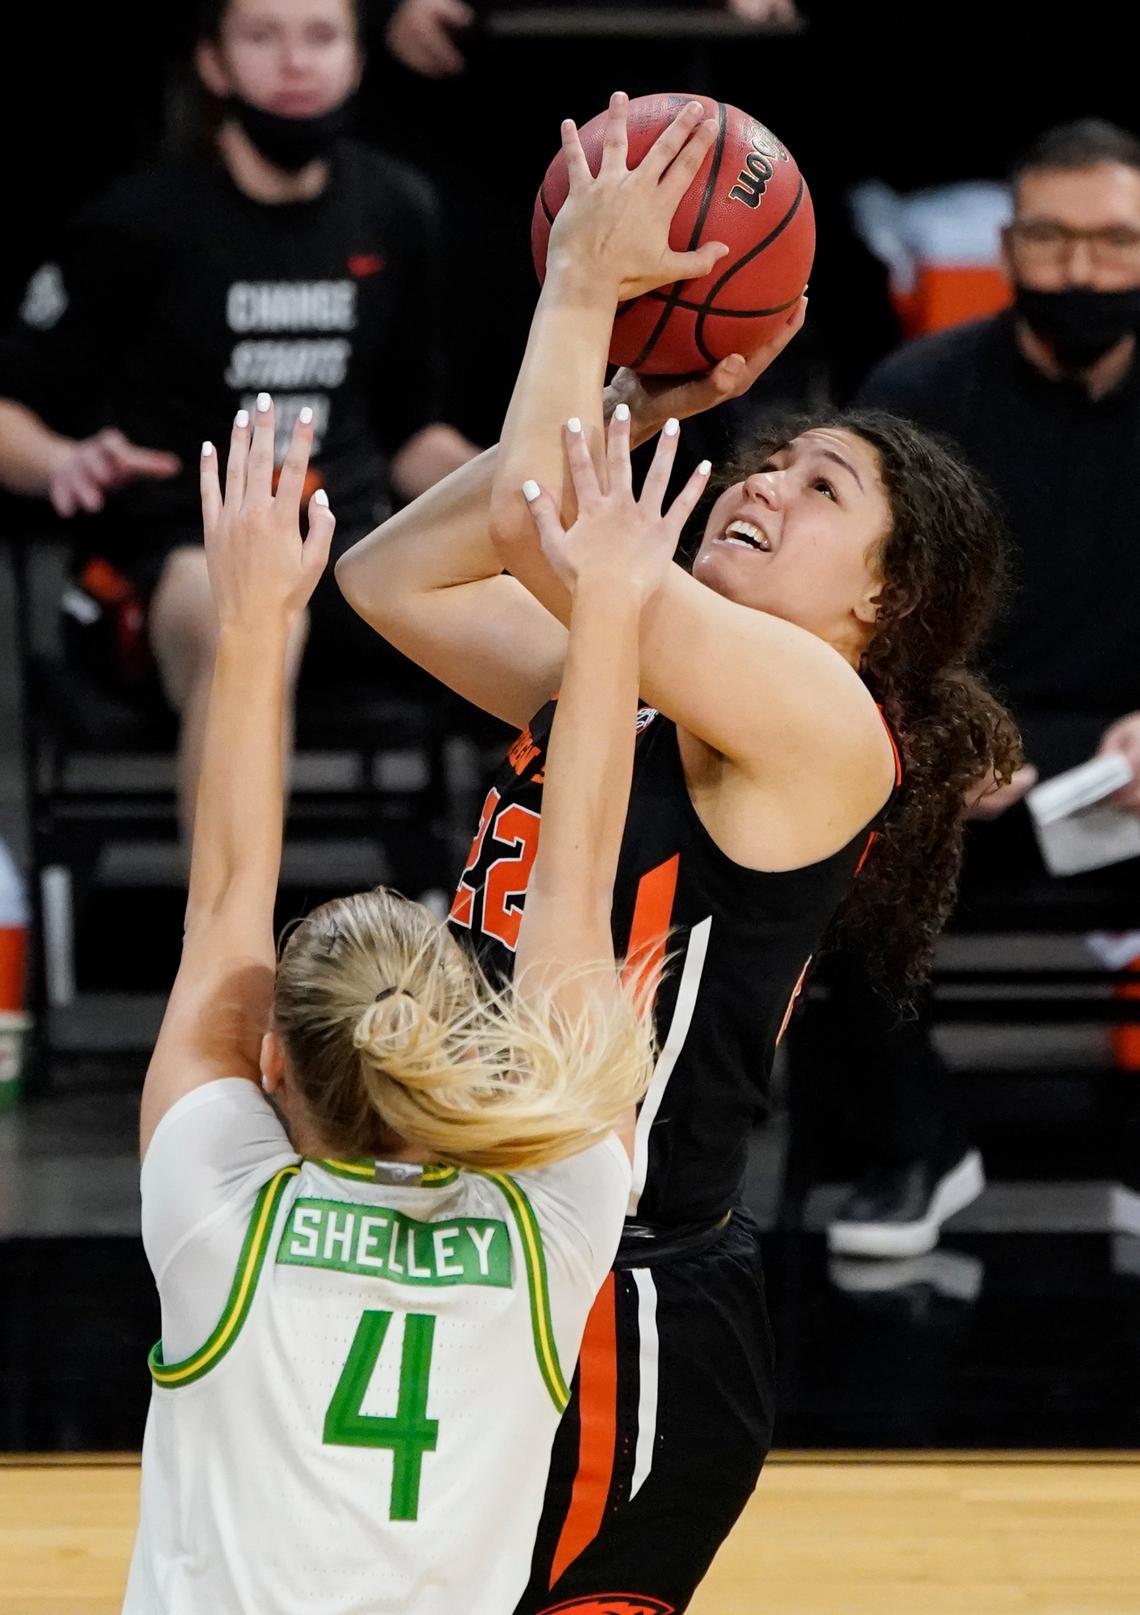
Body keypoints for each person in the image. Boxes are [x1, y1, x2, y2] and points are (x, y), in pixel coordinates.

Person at [336, 93, 1020, 1614]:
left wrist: (584, 292)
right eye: (770, 456)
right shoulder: (622, 686)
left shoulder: (825, 725)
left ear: (885, 610)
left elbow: (533, 526)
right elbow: (391, 574)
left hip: (622, 1297)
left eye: (820, 488)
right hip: (487, 1235)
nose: (763, 480)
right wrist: (645, 396)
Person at [124, 385, 714, 1610]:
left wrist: (252, 624)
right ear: (473, 1043)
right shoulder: (556, 1218)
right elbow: (575, 881)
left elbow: (227, 890)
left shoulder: (215, 1209)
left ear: (273, 1064)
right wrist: (613, 604)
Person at [0, 0, 477, 836]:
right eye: (263, 36)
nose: (296, 62)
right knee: (250, 621)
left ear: (358, 58)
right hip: (181, 556)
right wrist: (61, 461)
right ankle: (228, 959)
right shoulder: (137, 223)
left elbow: (411, 437)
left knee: (573, 608)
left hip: (350, 551)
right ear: (214, 63)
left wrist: (523, 485)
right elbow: (10, 410)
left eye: (321, 36)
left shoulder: (399, 210)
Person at [801, 117, 1140, 1262]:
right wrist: (938, 734)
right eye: (1051, 239)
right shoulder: (921, 397)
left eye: (1112, 241)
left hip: (1127, 770)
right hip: (964, 764)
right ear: (1007, 242)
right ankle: (915, 1147)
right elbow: (846, 618)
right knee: (826, 835)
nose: (1081, 271)